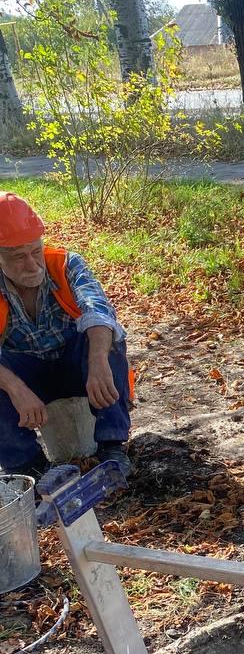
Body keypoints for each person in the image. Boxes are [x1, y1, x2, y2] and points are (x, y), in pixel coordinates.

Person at [0, 190, 132, 479]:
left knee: (108, 339)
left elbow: (98, 309)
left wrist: (98, 360)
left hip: (75, 365)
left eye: (35, 251)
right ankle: (28, 470)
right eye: (18, 257)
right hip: (27, 374)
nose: (33, 264)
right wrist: (15, 387)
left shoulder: (65, 263)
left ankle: (111, 449)